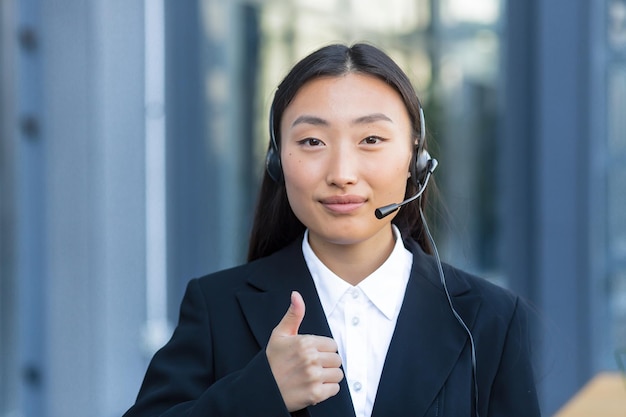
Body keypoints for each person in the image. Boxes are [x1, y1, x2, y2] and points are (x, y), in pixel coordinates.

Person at [123, 43, 541, 417]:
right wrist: (260, 393)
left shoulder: (489, 318)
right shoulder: (217, 308)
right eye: (312, 142)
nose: (342, 174)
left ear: (416, 159)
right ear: (277, 161)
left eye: (371, 139)